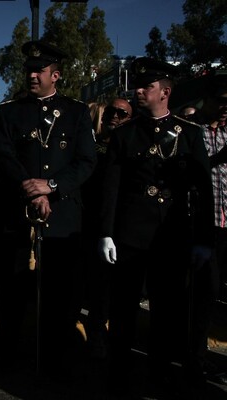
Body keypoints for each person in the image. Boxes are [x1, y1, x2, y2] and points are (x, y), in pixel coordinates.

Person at [98, 57, 214, 394]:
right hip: (131, 235)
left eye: (145, 86)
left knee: (167, 312)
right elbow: (112, 187)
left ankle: (160, 372)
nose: (137, 91)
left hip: (171, 236)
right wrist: (106, 232)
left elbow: (203, 191)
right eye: (138, 85)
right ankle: (118, 371)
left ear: (164, 92)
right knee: (123, 311)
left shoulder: (189, 134)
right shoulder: (125, 135)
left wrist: (203, 239)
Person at [0, 40, 96, 379]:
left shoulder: (77, 112)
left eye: (39, 70)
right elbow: (4, 157)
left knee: (60, 296)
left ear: (56, 74)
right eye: (29, 70)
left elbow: (85, 161)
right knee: (13, 291)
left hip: (63, 215)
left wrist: (51, 187)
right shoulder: (9, 112)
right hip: (18, 214)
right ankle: (7, 357)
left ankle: (55, 362)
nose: (32, 75)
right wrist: (31, 189)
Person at [82, 97, 132, 359]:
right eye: (111, 111)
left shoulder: (134, 147)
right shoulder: (94, 148)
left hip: (124, 228)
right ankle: (95, 336)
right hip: (91, 226)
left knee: (115, 289)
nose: (114, 116)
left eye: (121, 113)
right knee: (95, 286)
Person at [195, 73, 227, 385]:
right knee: (206, 293)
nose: (225, 107)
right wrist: (218, 158)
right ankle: (195, 357)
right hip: (204, 227)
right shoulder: (194, 133)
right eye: (220, 100)